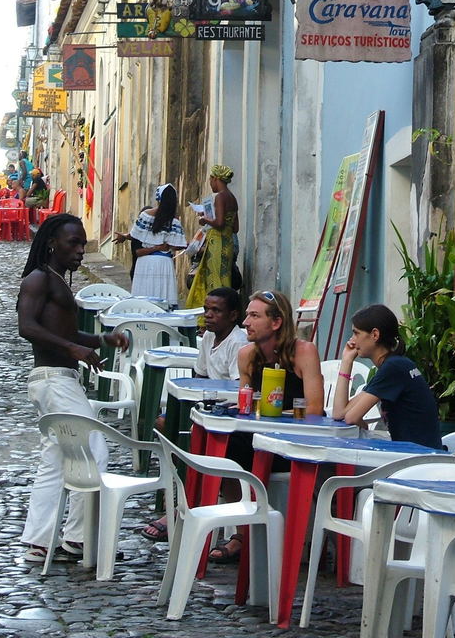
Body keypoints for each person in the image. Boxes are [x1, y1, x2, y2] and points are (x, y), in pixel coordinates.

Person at [17, 214, 129, 563]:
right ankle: (79, 539)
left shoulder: (56, 281)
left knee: (56, 461)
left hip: (58, 380)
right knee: (94, 451)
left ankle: (40, 541)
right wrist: (73, 350)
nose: (81, 250)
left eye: (83, 243)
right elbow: (27, 327)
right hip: (54, 381)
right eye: (74, 243)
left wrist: (99, 339)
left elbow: (64, 333)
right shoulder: (38, 280)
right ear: (52, 242)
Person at [209, 289, 324, 562]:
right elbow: (245, 403)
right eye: (247, 315)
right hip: (257, 441)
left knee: (234, 449)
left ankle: (268, 535)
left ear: (276, 322)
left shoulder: (303, 352)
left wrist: (274, 413)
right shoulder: (247, 355)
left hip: (295, 444)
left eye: (254, 316)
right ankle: (243, 531)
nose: (246, 323)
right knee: (223, 449)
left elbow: (315, 409)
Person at [141, 286, 249, 542]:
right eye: (206, 310)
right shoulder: (209, 339)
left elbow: (238, 387)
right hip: (205, 409)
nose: (209, 316)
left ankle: (183, 506)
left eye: (216, 311)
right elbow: (199, 378)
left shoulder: (238, 343)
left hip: (226, 415)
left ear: (233, 315)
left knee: (190, 441)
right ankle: (175, 497)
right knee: (164, 424)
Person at [332, 303, 442, 449]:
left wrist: (364, 429)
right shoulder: (396, 365)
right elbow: (339, 413)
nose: (352, 340)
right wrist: (346, 361)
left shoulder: (393, 368)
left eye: (356, 333)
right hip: (416, 451)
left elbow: (351, 418)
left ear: (375, 335)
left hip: (417, 458)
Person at [114, 183, 186, 307]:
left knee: (143, 298)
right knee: (164, 297)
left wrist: (125, 236)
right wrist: (166, 246)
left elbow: (135, 234)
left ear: (158, 198)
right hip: (164, 263)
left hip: (145, 262)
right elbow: (179, 245)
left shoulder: (145, 215)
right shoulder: (174, 222)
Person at [186, 165, 239, 312]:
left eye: (210, 179)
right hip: (228, 243)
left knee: (214, 279)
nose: (210, 183)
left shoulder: (220, 197)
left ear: (216, 179)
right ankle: (226, 311)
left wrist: (205, 220)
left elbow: (220, 223)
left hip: (217, 242)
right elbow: (235, 228)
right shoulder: (232, 198)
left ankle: (217, 313)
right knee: (224, 278)